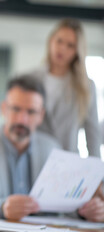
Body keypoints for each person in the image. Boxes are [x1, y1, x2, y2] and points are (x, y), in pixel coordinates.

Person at [0, 76, 104, 221]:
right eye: (16, 109)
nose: (22, 119)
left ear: (41, 116)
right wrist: (1, 207)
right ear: (3, 109)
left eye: (31, 112)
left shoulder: (51, 148)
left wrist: (84, 211)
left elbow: (62, 203)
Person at [25, 18, 100, 157]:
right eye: (59, 41)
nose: (62, 49)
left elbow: (93, 134)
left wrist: (98, 172)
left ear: (77, 51)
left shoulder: (86, 87)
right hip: (34, 158)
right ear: (51, 41)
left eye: (70, 45)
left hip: (67, 159)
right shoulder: (30, 79)